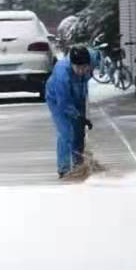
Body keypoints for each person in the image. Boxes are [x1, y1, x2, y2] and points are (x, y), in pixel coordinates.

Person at [45, 46, 96, 177]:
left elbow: (98, 55)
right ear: (72, 64)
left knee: (79, 132)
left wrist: (81, 119)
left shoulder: (92, 58)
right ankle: (64, 169)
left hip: (78, 95)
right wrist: (79, 116)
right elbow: (64, 103)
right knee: (66, 132)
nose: (81, 71)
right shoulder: (62, 74)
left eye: (84, 68)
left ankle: (79, 165)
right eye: (78, 68)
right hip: (57, 99)